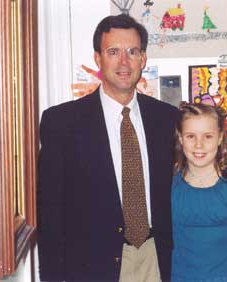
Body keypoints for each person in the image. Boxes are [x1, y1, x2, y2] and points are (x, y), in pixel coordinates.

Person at [37, 14, 177, 282]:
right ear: (98, 59)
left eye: (132, 52)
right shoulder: (62, 123)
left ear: (143, 59)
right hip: (92, 267)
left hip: (156, 260)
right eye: (113, 52)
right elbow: (50, 214)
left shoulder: (168, 119)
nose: (124, 62)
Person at [171, 102, 227, 282]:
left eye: (208, 136)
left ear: (220, 138)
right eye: (191, 136)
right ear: (181, 139)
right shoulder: (168, 187)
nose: (199, 145)